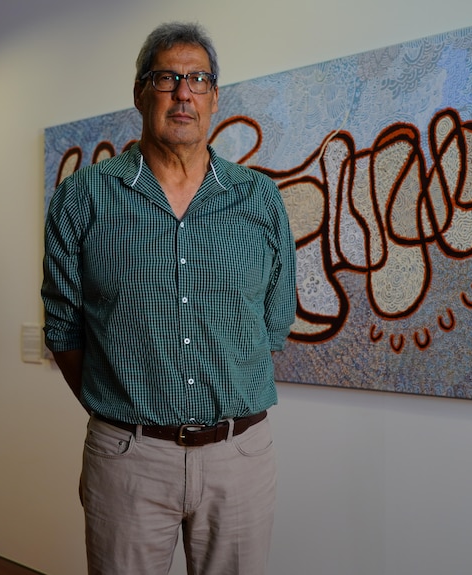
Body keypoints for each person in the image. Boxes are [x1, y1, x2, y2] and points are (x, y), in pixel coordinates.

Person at [41, 21, 297, 575]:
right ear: (140, 92)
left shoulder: (258, 199)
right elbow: (62, 330)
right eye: (167, 78)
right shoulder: (82, 199)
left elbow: (275, 322)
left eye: (198, 79)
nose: (184, 92)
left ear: (214, 98)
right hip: (129, 458)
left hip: (240, 456)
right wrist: (124, 405)